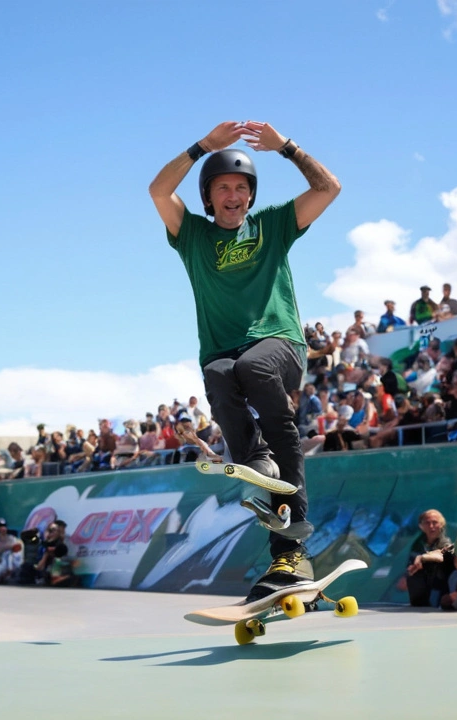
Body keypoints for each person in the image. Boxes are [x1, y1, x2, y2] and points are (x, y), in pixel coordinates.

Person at [150, 119, 341, 601]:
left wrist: (287, 148)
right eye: (222, 188)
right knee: (219, 374)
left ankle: (273, 460)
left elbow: (328, 188)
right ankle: (284, 547)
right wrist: (202, 147)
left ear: (250, 196)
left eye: (240, 187)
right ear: (208, 197)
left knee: (252, 367)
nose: (232, 195)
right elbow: (158, 189)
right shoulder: (191, 236)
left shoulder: (274, 225)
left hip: (279, 345)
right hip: (221, 353)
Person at [404, 509, 454, 607]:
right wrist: (412, 568)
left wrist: (423, 558)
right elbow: (411, 562)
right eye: (427, 523)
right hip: (422, 586)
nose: (431, 526)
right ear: (421, 526)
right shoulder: (418, 544)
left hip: (441, 584)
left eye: (435, 522)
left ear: (441, 525)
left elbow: (441, 556)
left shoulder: (445, 543)